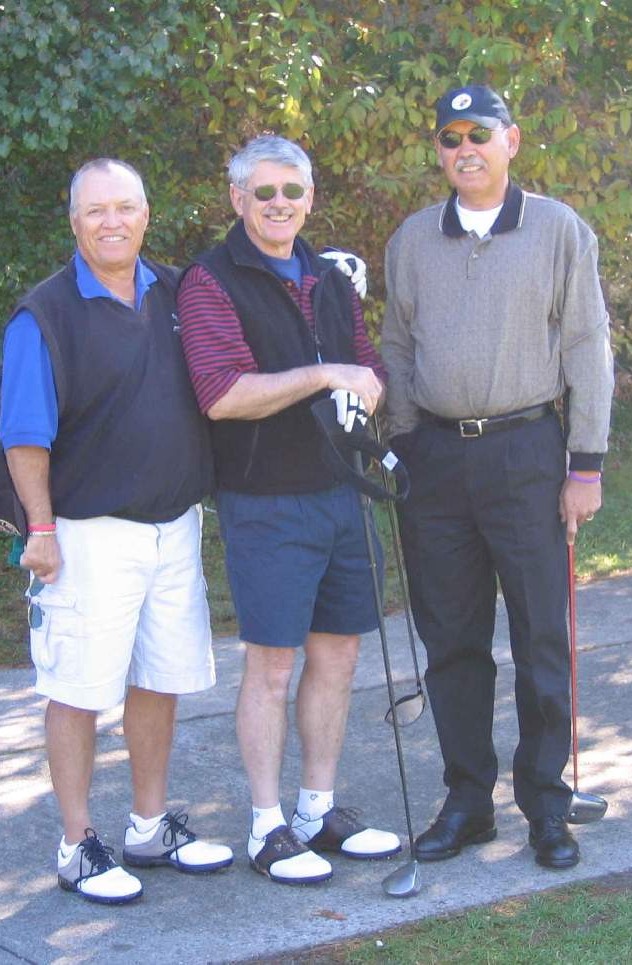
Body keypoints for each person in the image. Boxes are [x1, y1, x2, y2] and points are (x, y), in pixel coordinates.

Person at [381, 85, 614, 870]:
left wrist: (586, 463)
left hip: (528, 453)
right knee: (451, 638)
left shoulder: (557, 228)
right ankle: (468, 801)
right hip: (435, 459)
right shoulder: (413, 238)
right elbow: (397, 344)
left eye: (479, 134)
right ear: (439, 151)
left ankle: (546, 803)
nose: (465, 150)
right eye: (450, 138)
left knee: (541, 635)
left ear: (510, 140)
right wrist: (404, 442)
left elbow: (587, 347)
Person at [0, 158, 234, 904]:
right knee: (76, 690)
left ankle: (148, 827)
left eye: (124, 207)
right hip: (85, 533)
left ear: (145, 215)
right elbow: (24, 436)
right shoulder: (45, 314)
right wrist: (40, 528)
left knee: (159, 678)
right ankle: (77, 846)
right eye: (95, 210)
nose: (112, 222)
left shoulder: (176, 291)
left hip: (174, 527)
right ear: (74, 222)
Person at [178, 134, 401, 885]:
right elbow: (222, 394)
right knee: (272, 664)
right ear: (237, 199)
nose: (279, 204)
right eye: (264, 192)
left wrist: (365, 389)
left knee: (338, 654)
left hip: (343, 494)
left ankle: (316, 811)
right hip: (265, 502)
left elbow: (367, 366)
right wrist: (325, 375)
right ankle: (267, 826)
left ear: (310, 198)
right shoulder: (211, 280)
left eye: (292, 191)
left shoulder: (328, 276)